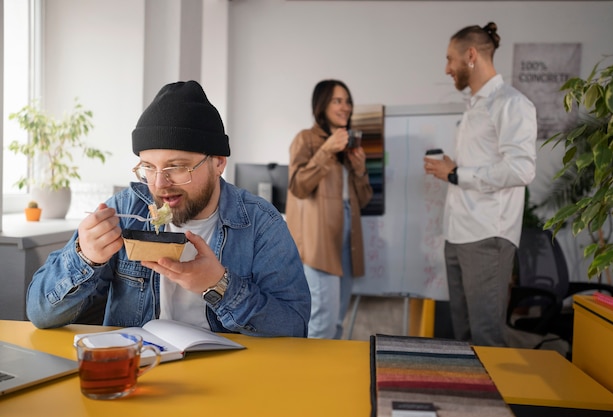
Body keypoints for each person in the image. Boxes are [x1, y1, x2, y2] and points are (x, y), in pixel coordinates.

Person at [26, 80, 311, 337]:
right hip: (142, 370)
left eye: (176, 167)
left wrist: (218, 285)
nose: (160, 184)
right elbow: (39, 313)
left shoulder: (260, 223)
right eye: (148, 167)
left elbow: (294, 327)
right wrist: (85, 258)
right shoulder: (124, 211)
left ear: (218, 163)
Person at [423, 22, 537, 346]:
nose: (447, 69)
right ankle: (466, 397)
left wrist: (458, 174)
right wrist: (453, 169)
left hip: (488, 236)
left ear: (470, 55)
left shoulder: (512, 104)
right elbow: (478, 166)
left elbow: (521, 169)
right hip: (457, 233)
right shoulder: (475, 106)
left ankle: (492, 398)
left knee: (486, 337)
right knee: (464, 337)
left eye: (450, 59)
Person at [286, 79, 373, 339]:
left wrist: (359, 170)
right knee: (322, 321)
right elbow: (298, 186)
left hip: (347, 238)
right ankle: (311, 379)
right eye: (338, 100)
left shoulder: (349, 146)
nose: (345, 106)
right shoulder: (306, 139)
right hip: (319, 241)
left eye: (348, 101)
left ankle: (331, 378)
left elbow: (363, 200)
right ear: (322, 105)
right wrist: (326, 150)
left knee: (337, 321)